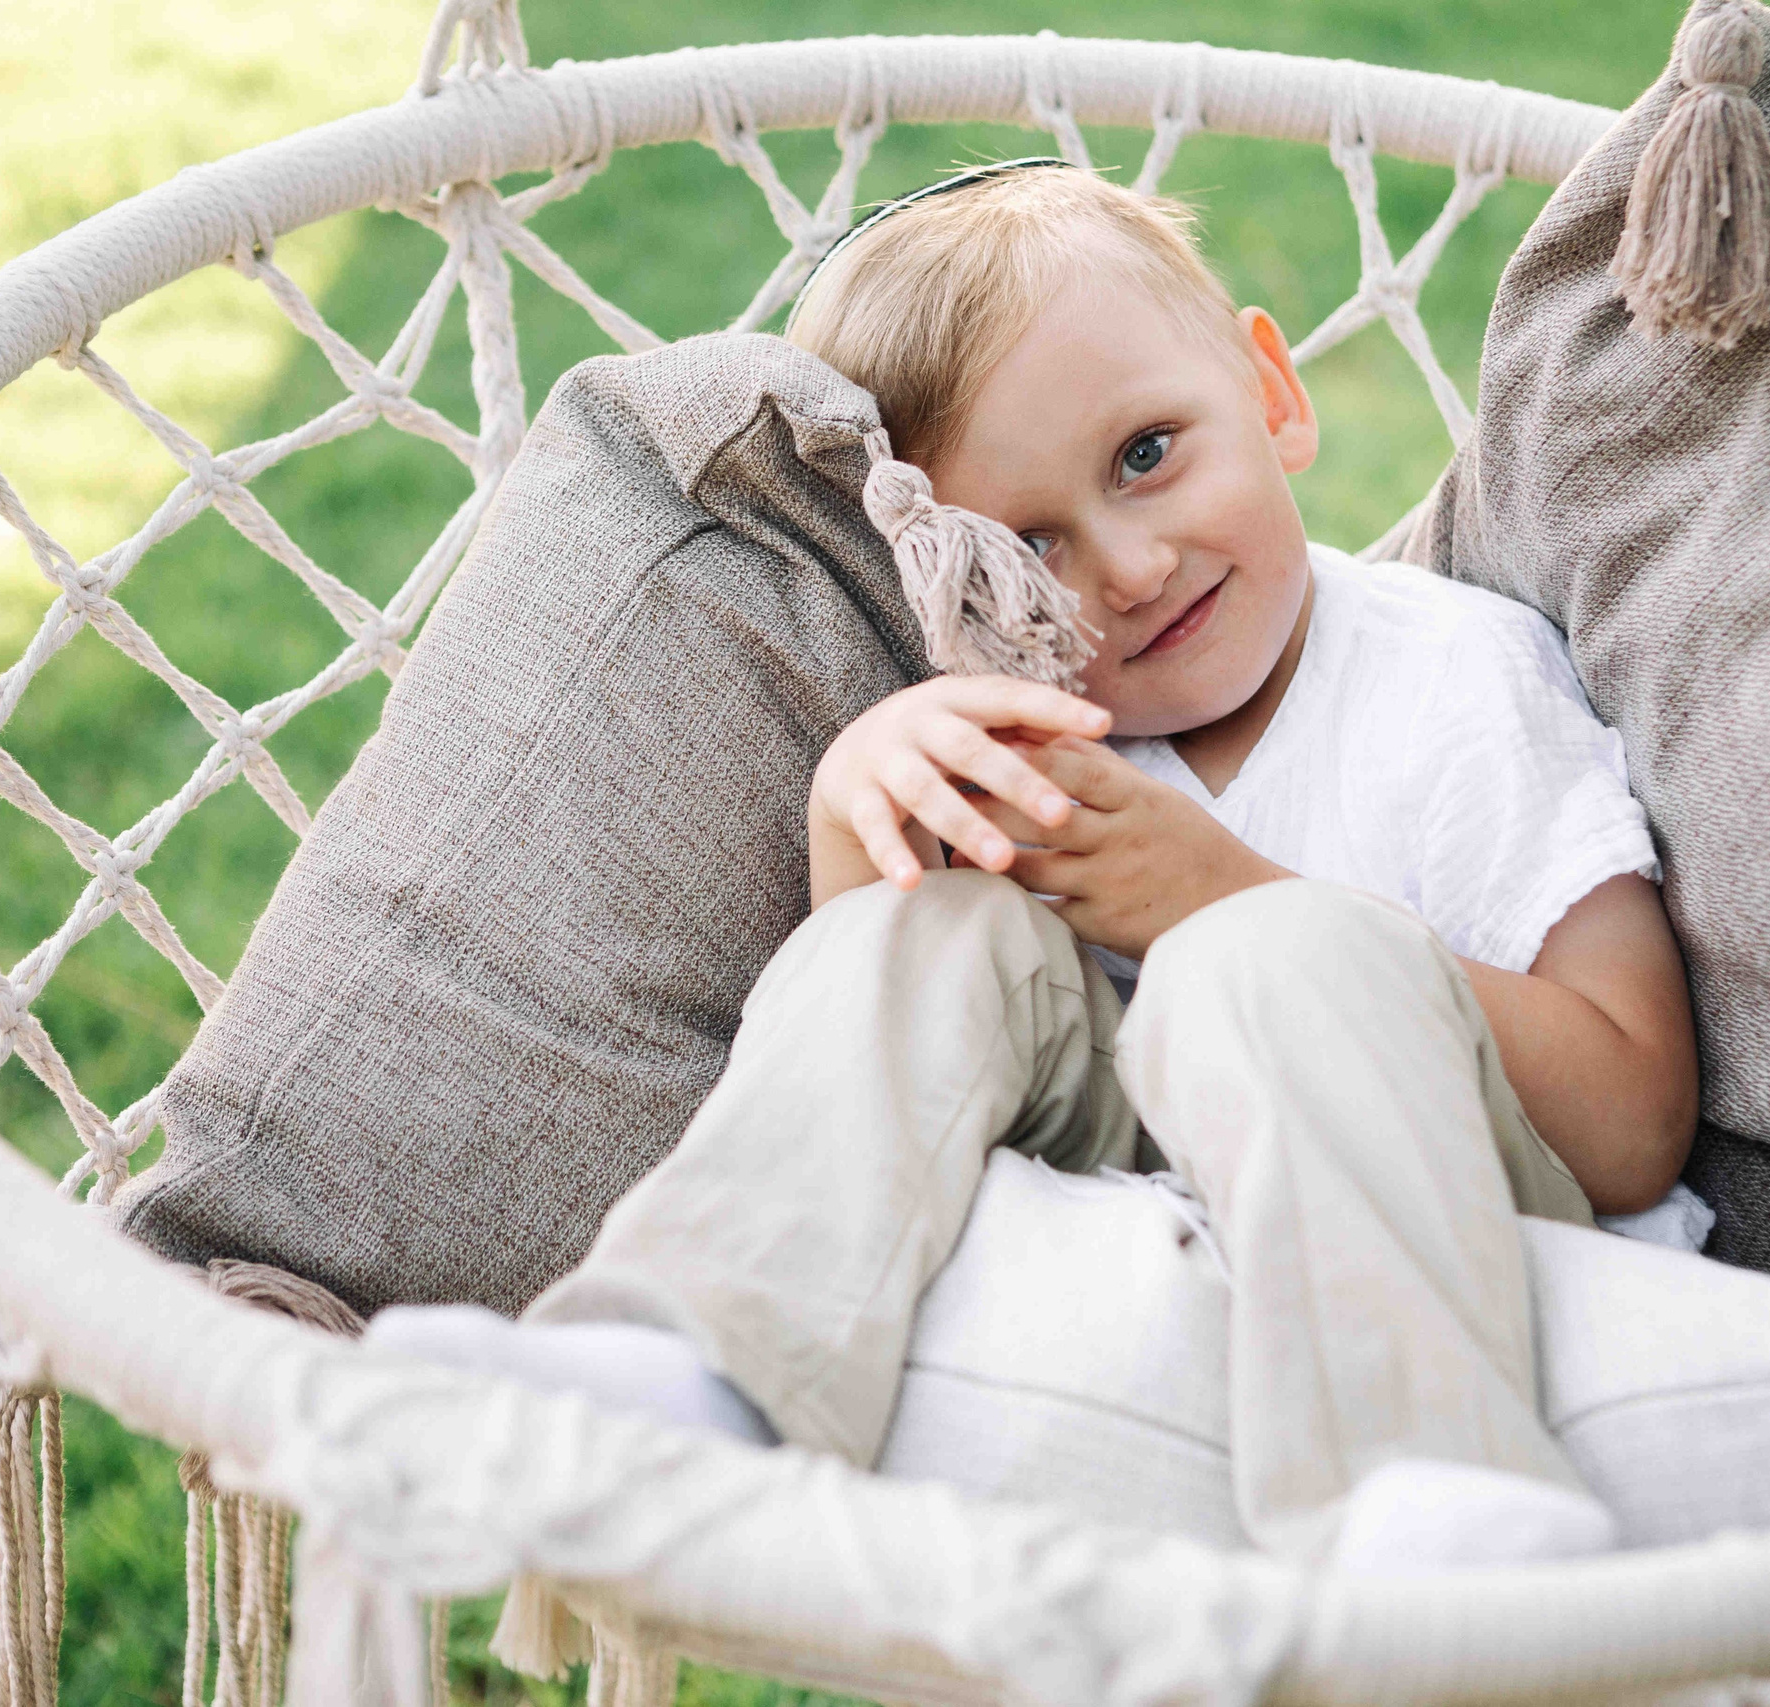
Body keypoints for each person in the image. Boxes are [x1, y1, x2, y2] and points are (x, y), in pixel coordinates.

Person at [368, 161, 1700, 1572]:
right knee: (925, 930)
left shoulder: (1451, 678)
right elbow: (913, 1078)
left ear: (1276, 393)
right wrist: (861, 827)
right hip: (1144, 1202)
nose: (1125, 569)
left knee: (1272, 952)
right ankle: (690, 1371)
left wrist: (1221, 895)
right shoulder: (1036, 747)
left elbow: (1631, 1122)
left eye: (1147, 454)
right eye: (1024, 545)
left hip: (1459, 1203)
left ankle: (1434, 1491)